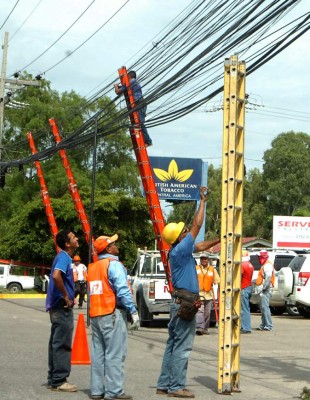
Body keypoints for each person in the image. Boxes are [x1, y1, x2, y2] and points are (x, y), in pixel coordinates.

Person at [156, 186, 220, 399]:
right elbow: (197, 224)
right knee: (182, 347)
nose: (187, 232)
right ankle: (176, 387)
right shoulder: (181, 249)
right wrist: (203, 201)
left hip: (179, 301)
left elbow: (200, 246)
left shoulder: (178, 251)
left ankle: (164, 384)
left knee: (172, 344)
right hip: (185, 302)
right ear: (180, 237)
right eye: (184, 232)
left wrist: (219, 240)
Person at [87, 234, 140, 400]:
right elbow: (123, 290)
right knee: (115, 353)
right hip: (112, 313)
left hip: (96, 314)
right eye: (114, 244)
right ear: (108, 249)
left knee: (98, 354)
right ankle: (114, 391)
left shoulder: (93, 267)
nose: (117, 246)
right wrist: (133, 311)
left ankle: (97, 391)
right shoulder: (114, 265)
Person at [45, 230, 79, 392]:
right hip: (61, 306)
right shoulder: (64, 256)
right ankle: (59, 380)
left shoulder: (63, 257)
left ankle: (53, 377)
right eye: (73, 237)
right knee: (62, 343)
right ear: (67, 243)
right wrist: (66, 296)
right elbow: (57, 276)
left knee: (56, 342)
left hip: (56, 305)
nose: (77, 239)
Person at [114, 70, 153, 147]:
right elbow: (121, 90)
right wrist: (119, 87)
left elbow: (118, 92)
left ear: (129, 76)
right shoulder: (131, 83)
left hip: (140, 104)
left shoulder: (132, 81)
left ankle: (148, 141)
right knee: (137, 124)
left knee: (140, 123)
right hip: (138, 104)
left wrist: (116, 86)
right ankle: (141, 142)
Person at [195, 253, 220, 336]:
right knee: (200, 311)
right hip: (199, 294)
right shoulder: (196, 268)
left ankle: (205, 328)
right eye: (202, 259)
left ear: (208, 260)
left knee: (207, 313)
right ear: (200, 260)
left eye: (205, 259)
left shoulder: (212, 269)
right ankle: (199, 328)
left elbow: (217, 280)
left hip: (209, 295)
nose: (204, 260)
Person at [256, 250, 274, 331]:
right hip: (266, 289)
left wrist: (264, 287)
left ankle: (268, 325)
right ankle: (264, 325)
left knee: (265, 307)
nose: (258, 258)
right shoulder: (266, 265)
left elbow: (269, 276)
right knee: (263, 307)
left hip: (267, 290)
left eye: (259, 257)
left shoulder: (267, 265)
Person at [240, 250, 254, 334]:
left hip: (244, 288)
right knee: (247, 308)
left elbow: (240, 276)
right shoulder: (250, 265)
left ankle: (246, 327)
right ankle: (246, 326)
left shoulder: (242, 265)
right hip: (249, 287)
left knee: (243, 309)